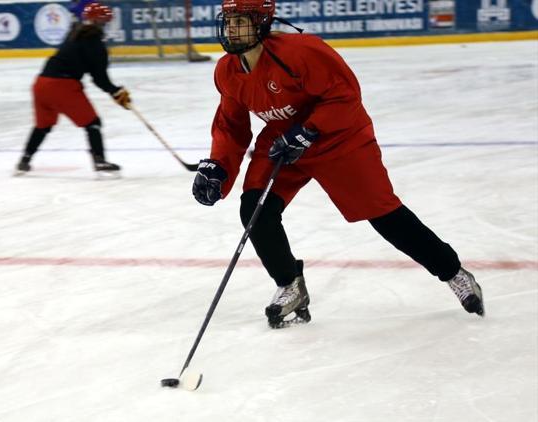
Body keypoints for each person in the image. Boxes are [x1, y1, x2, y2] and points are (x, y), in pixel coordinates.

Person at [191, 0, 484, 328]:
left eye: (239, 21)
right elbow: (231, 127)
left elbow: (345, 95)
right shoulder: (227, 70)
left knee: (384, 215)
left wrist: (310, 130)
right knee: (255, 209)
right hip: (283, 145)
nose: (230, 28)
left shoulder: (302, 52)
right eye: (227, 21)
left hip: (338, 140)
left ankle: (452, 271)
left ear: (261, 22)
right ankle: (290, 286)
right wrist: (218, 166)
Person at [16, 2, 130, 175]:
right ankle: (99, 161)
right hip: (62, 86)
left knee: (43, 126)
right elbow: (99, 77)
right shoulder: (96, 45)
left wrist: (114, 91)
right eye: (105, 22)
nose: (106, 25)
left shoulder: (73, 33)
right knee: (93, 124)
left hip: (41, 83)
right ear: (99, 22)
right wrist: (115, 91)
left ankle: (25, 160)